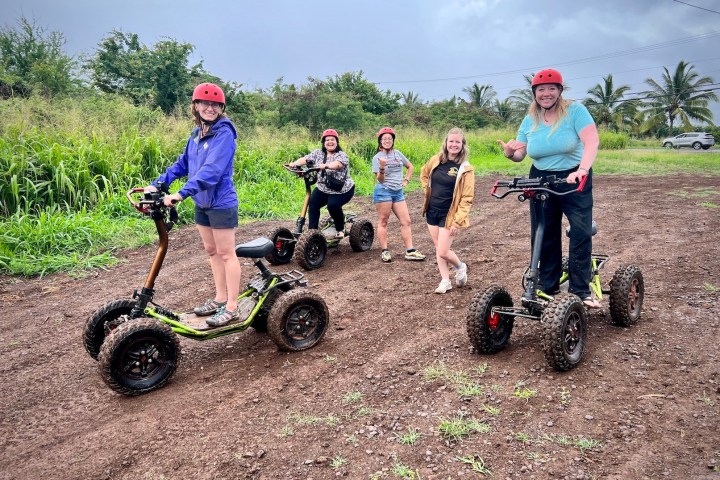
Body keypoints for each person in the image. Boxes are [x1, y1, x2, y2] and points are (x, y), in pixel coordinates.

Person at [497, 68, 600, 308]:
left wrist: (582, 170)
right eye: (541, 89)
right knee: (544, 232)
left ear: (560, 91)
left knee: (580, 231)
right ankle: (548, 283)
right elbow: (521, 153)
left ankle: (580, 290)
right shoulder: (530, 118)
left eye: (551, 88)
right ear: (534, 93)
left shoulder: (575, 111)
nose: (546, 93)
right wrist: (510, 152)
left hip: (573, 177)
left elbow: (591, 141)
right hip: (540, 178)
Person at [146, 82, 242, 326]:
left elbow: (212, 171)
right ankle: (220, 298)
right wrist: (158, 183)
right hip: (203, 202)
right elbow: (183, 164)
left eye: (215, 104)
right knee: (212, 251)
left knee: (226, 253)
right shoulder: (196, 135)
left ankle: (232, 306)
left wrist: (181, 194)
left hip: (221, 202)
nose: (209, 108)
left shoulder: (224, 134)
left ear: (221, 108)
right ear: (196, 106)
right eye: (205, 103)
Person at [420, 127, 475, 294]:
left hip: (449, 214)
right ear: (446, 143)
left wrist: (458, 220)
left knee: (443, 250)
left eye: (457, 142)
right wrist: (427, 191)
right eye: (451, 141)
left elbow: (467, 197)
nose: (454, 144)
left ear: (462, 145)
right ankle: (445, 280)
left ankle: (460, 266)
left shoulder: (465, 168)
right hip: (432, 210)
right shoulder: (436, 160)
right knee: (438, 247)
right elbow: (423, 174)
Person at [288, 129, 355, 239]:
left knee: (332, 205)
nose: (330, 142)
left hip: (342, 190)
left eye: (332, 140)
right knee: (313, 204)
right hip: (323, 188)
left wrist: (326, 165)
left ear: (337, 142)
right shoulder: (318, 153)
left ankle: (340, 228)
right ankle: (312, 233)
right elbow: (305, 159)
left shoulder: (342, 155)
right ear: (324, 143)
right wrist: (294, 164)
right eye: (327, 140)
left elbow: (337, 165)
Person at [372, 127, 426, 263]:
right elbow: (380, 179)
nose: (387, 141)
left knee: (406, 221)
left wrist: (406, 179)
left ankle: (410, 250)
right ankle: (385, 251)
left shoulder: (398, 154)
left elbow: (410, 166)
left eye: (389, 138)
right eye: (384, 139)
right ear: (380, 141)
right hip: (383, 191)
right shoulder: (377, 158)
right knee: (383, 221)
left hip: (398, 192)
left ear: (393, 140)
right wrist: (382, 167)